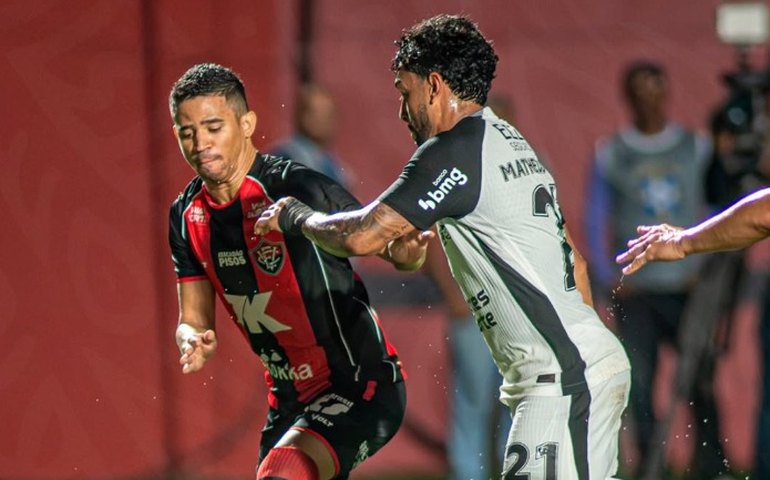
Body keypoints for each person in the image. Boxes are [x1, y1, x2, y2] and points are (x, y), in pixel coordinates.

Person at [256, 14, 631, 479]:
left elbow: (363, 234)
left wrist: (297, 216)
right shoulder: (510, 140)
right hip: (580, 366)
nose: (401, 109)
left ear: (434, 86)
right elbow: (573, 262)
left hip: (562, 380)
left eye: (404, 91)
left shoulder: (452, 150)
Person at [167, 63, 428, 480]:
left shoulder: (299, 187)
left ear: (247, 123)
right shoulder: (186, 216)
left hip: (360, 384)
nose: (200, 143)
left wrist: (408, 254)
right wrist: (191, 338)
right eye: (187, 132)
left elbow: (385, 244)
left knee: (283, 473)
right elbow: (192, 317)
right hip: (288, 402)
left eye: (213, 127)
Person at [583, 59, 727, 478]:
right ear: (628, 97)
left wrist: (708, 266)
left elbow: (720, 209)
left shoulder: (695, 147)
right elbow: (596, 219)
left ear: (667, 92)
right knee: (640, 384)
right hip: (639, 290)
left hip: (687, 285)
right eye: (641, 91)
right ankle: (651, 465)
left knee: (699, 379)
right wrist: (611, 278)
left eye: (656, 89)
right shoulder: (612, 152)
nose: (650, 100)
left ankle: (710, 464)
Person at [424, 235, 511, 480]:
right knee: (473, 400)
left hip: (514, 309)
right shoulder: (455, 195)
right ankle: (467, 475)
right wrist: (452, 293)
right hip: (472, 310)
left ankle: (520, 472)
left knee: (520, 401)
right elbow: (432, 236)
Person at [270, 83, 352, 186]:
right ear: (302, 116)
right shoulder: (287, 155)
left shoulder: (337, 169)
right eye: (315, 113)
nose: (321, 120)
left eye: (327, 114)